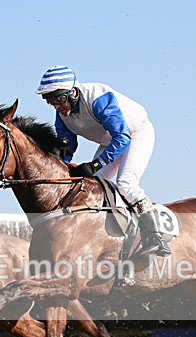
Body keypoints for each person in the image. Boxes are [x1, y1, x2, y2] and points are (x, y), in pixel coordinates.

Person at [36, 65, 170, 257]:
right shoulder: (62, 115)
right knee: (93, 185)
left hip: (135, 134)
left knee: (126, 183)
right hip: (111, 141)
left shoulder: (98, 98)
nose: (57, 106)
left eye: (59, 99)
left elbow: (122, 138)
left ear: (72, 92)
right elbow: (67, 148)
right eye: (50, 101)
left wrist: (95, 164)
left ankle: (156, 236)